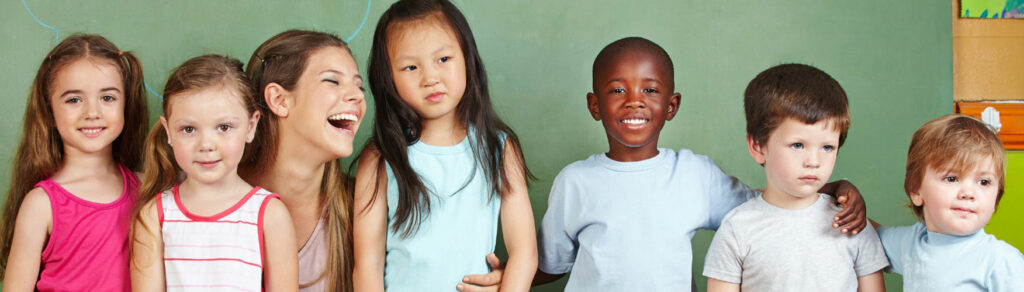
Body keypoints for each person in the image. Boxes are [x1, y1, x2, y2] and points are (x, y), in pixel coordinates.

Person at [534, 38, 869, 291]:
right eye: (618, 89)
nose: (634, 100)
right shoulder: (574, 181)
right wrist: (500, 278)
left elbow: (770, 205)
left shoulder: (693, 174)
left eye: (650, 90)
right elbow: (550, 263)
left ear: (671, 105)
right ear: (595, 105)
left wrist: (833, 189)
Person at [352, 1, 537, 291]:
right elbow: (367, 264)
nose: (430, 78)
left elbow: (524, 252)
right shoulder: (380, 157)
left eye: (443, 59)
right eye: (411, 66)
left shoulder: (498, 148)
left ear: (467, 58)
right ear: (388, 78)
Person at [703, 63, 888, 291]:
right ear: (758, 146)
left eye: (827, 147)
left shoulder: (852, 225)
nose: (814, 160)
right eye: (798, 145)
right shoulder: (737, 229)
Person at [130, 54, 297, 291]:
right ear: (168, 131)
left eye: (223, 127)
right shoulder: (153, 216)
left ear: (251, 126)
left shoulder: (270, 215)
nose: (206, 144)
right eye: (188, 129)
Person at [0, 34, 148, 291]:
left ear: (126, 104)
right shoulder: (40, 205)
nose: (92, 112)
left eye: (108, 98)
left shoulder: (146, 187)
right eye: (74, 100)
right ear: (49, 112)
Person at [240, 30, 365, 291]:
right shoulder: (204, 196)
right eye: (332, 81)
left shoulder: (362, 208)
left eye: (358, 85)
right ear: (279, 100)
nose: (357, 95)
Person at [876, 114, 1024, 291]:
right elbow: (865, 233)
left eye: (984, 182)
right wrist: (842, 192)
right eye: (952, 178)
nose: (968, 193)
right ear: (916, 190)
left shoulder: (1000, 260)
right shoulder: (911, 243)